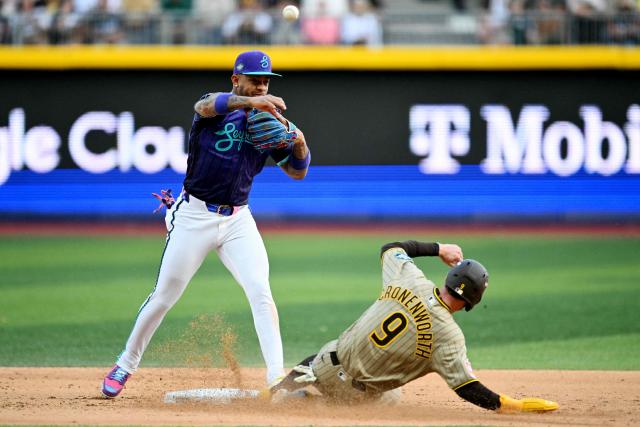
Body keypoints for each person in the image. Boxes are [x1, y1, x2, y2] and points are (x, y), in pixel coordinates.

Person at [101, 50, 311, 398]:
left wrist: (301, 144)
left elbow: (297, 172)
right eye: (254, 80)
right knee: (165, 296)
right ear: (236, 80)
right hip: (194, 215)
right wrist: (249, 103)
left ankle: (276, 378)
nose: (261, 86)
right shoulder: (213, 112)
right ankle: (125, 364)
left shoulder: (267, 122)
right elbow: (205, 105)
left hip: (238, 219)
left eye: (265, 81)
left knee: (261, 291)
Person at [269, 240, 559, 413]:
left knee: (332, 350)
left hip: (325, 365)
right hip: (354, 395)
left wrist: (439, 248)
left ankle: (278, 392)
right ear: (473, 300)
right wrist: (511, 405)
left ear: (449, 276)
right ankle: (310, 405)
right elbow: (467, 387)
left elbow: (391, 248)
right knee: (391, 399)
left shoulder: (410, 278)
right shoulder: (449, 337)